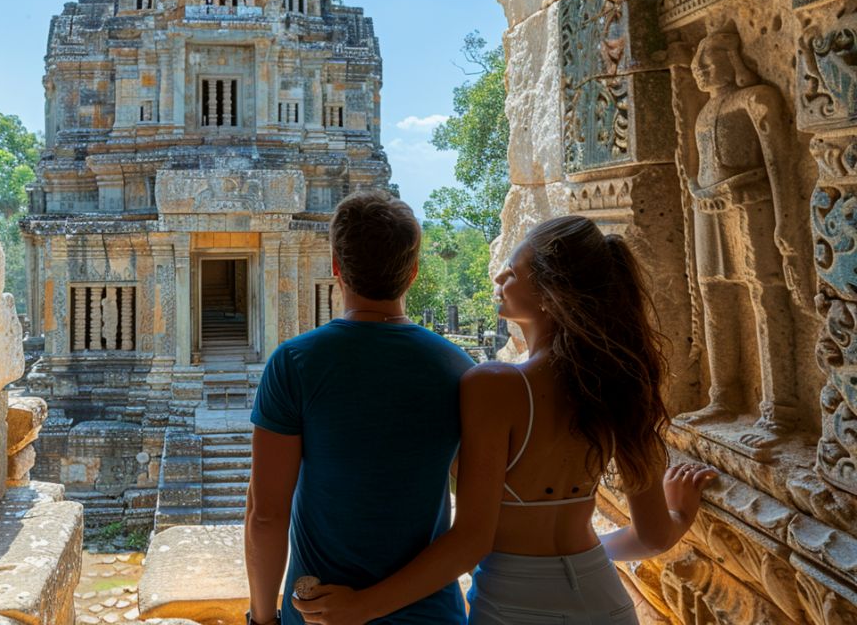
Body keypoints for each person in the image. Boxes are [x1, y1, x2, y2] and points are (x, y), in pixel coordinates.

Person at [291, 215, 718, 624]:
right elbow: (653, 537)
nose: (499, 278)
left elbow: (472, 540)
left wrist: (362, 607)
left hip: (515, 603)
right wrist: (679, 513)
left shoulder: (497, 384)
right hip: (603, 597)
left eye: (513, 272)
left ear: (551, 293)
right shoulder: (619, 387)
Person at [245, 190, 477, 625]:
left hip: (316, 612)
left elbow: (266, 513)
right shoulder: (459, 368)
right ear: (412, 273)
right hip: (429, 614)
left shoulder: (295, 364)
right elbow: (475, 527)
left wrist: (262, 619)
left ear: (336, 267)